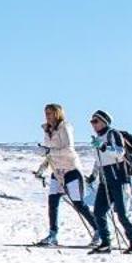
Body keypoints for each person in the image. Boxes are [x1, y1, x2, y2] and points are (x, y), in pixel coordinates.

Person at [32, 103, 92, 246]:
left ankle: (99, 231)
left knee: (78, 204)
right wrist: (41, 170)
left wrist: (49, 152)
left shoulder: (65, 127)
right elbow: (49, 154)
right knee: (52, 202)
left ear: (57, 114)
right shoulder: (47, 130)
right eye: (46, 113)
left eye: (50, 113)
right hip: (56, 172)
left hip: (71, 169)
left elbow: (68, 150)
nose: (47, 116)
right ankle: (53, 234)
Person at [87, 109, 132, 254]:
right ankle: (105, 242)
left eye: (95, 121)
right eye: (92, 121)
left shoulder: (113, 134)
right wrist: (93, 176)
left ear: (104, 121)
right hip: (105, 181)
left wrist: (104, 147)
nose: (93, 124)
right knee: (98, 212)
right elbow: (98, 160)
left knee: (122, 214)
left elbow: (119, 153)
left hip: (119, 179)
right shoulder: (98, 138)